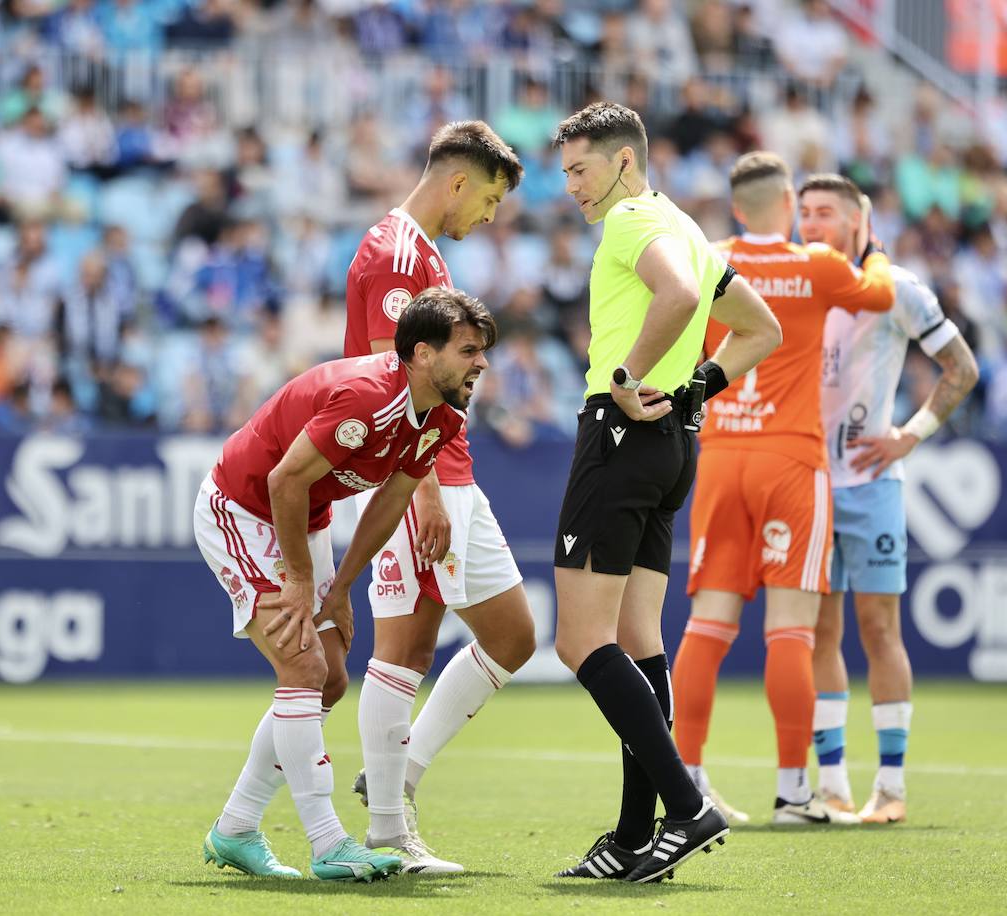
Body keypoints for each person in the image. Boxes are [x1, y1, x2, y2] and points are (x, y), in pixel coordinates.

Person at [550, 102, 781, 883]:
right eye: (566, 173)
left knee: (580, 641)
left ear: (623, 161)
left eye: (580, 169)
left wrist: (627, 380)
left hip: (620, 437)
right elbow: (761, 329)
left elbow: (679, 297)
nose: (572, 187)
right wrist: (693, 388)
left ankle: (685, 808)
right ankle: (631, 838)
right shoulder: (685, 222)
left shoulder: (630, 223)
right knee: (640, 639)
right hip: (675, 442)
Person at [194, 289, 495, 882]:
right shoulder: (366, 399)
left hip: (305, 518)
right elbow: (283, 481)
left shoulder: (443, 415)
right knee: (303, 669)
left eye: (482, 351)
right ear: (421, 354)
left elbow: (392, 501)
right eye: (468, 351)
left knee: (329, 677)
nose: (480, 364)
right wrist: (303, 583)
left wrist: (343, 588)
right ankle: (329, 842)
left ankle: (234, 828)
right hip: (243, 508)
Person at [671, 154, 896, 826]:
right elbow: (878, 292)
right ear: (791, 202)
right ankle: (796, 794)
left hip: (720, 455)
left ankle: (687, 783)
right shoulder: (817, 266)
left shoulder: (707, 256)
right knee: (791, 632)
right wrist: (874, 244)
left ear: (738, 207)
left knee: (707, 627)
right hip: (793, 462)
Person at [342, 120, 536, 874]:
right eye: (486, 201)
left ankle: (392, 801)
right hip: (427, 471)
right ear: (458, 181)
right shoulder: (399, 255)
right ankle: (392, 813)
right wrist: (418, 486)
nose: (486, 218)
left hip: (422, 467)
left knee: (420, 648)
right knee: (482, 638)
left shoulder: (411, 249)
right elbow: (395, 379)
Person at [804, 182, 980, 823]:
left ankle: (892, 786)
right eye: (803, 212)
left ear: (858, 221)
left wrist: (911, 434)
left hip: (872, 486)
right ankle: (830, 785)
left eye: (823, 212)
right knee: (821, 632)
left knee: (880, 630)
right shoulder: (801, 284)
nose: (810, 223)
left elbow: (961, 366)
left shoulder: (897, 288)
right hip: (811, 484)